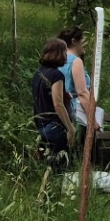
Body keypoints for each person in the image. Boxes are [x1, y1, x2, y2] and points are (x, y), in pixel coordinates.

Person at [32, 37, 76, 165]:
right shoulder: (56, 75)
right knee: (61, 165)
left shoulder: (39, 72)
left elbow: (43, 96)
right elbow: (58, 105)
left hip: (41, 124)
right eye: (65, 52)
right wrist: (70, 128)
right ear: (59, 53)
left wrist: (64, 95)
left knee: (47, 165)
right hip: (55, 126)